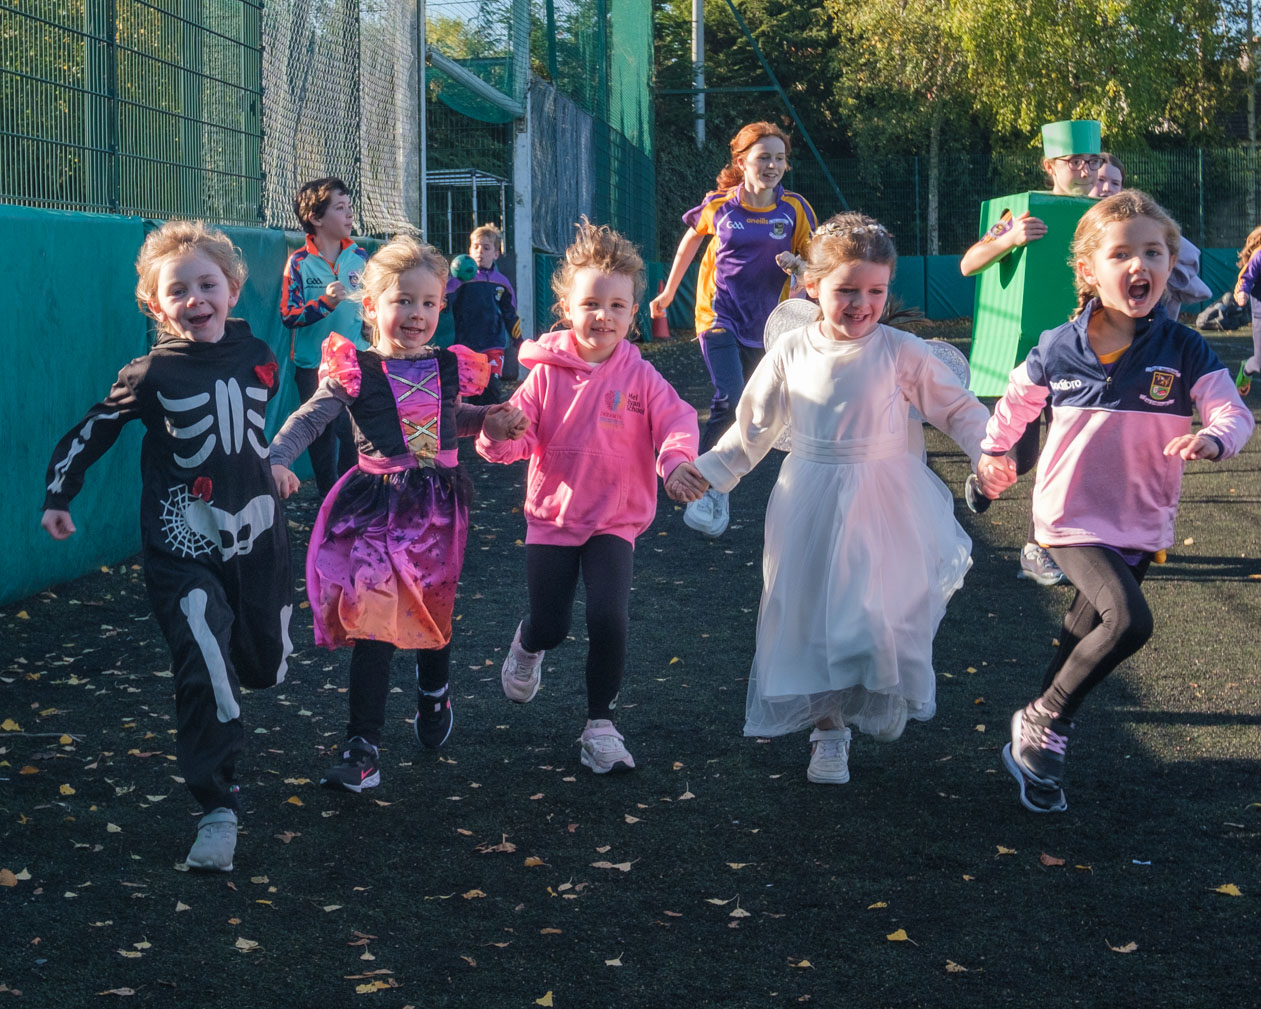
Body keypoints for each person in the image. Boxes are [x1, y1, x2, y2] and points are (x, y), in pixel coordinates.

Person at [675, 212, 992, 785]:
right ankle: (828, 731)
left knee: (885, 608)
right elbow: (753, 428)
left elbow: (959, 408)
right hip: (811, 498)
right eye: (847, 290)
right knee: (812, 616)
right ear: (813, 286)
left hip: (889, 497)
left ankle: (886, 689)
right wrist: (706, 472)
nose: (861, 304)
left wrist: (987, 452)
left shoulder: (901, 351)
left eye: (875, 291)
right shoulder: (793, 350)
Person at [975, 191, 1254, 813]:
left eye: (1153, 252)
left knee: (1082, 634)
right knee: (1128, 623)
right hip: (1069, 519)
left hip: (1139, 521)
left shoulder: (1185, 350)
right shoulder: (1057, 346)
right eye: (1121, 252)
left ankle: (1031, 748)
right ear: (1089, 270)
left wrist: (1214, 437)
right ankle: (1045, 720)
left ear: (1169, 265)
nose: (1139, 264)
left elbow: (1232, 411)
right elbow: (1017, 403)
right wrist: (993, 457)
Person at [41, 221, 293, 872]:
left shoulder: (260, 355)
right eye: (177, 290)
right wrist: (58, 495)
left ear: (233, 289)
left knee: (259, 665)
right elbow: (94, 428)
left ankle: (263, 651)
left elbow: (254, 431)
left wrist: (274, 466)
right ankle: (217, 805)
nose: (195, 298)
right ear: (157, 305)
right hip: (182, 544)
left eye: (207, 283)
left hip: (257, 538)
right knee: (203, 647)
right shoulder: (151, 373)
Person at [268, 235, 528, 792]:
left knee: (430, 610)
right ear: (371, 306)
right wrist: (276, 459)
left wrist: (489, 421)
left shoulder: (451, 365)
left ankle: (434, 690)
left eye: (429, 303)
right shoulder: (355, 369)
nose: (416, 314)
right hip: (375, 505)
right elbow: (312, 418)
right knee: (374, 620)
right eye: (402, 300)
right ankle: (362, 746)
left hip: (437, 505)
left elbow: (449, 416)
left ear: (442, 307)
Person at [476, 219, 703, 775]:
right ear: (567, 306)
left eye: (618, 306)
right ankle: (528, 646)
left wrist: (675, 465)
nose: (603, 316)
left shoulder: (643, 376)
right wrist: (498, 432)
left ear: (633, 310)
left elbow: (678, 422)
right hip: (553, 518)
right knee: (551, 624)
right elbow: (517, 433)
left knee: (609, 618)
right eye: (591, 304)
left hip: (614, 522)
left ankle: (599, 725)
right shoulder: (545, 375)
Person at [649, 122, 816, 538]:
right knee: (730, 395)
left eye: (780, 158)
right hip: (717, 317)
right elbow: (690, 240)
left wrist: (800, 273)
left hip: (767, 326)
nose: (773, 165)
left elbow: (813, 265)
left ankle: (723, 478)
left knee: (762, 407)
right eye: (764, 157)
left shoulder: (795, 209)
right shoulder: (720, 206)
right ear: (742, 163)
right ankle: (707, 487)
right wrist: (669, 293)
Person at [961, 120, 1103, 588]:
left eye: (1092, 160)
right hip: (1027, 358)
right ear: (1050, 166)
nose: (1084, 169)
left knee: (1065, 455)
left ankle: (1037, 547)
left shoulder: (1106, 216)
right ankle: (983, 484)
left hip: (1083, 356)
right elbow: (968, 263)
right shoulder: (1019, 214)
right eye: (1073, 161)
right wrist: (1010, 239)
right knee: (1019, 460)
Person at [280, 177, 371, 498]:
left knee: (354, 434)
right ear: (317, 219)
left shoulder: (360, 257)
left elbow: (372, 304)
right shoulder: (299, 264)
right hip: (312, 367)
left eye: (350, 207)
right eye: (340, 208)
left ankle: (349, 495)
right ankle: (328, 500)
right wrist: (325, 304)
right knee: (321, 433)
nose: (349, 215)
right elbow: (289, 316)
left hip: (357, 361)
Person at [1091, 154, 1212, 313]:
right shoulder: (1067, 216)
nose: (1107, 188)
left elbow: (1188, 255)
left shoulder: (1137, 220)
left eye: (1115, 183)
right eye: (1100, 180)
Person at [446, 223, 523, 403]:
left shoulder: (501, 283)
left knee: (491, 388)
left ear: (496, 254)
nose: (480, 251)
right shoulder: (460, 281)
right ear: (469, 251)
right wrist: (447, 290)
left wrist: (518, 340)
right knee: (471, 390)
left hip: (493, 344)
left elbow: (510, 313)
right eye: (476, 247)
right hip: (467, 344)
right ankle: (470, 428)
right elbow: (443, 303)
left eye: (486, 248)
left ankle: (490, 427)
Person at [1232, 224, 1261, 395]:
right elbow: (1247, 277)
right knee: (1260, 361)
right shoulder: (1259, 255)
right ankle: (1246, 369)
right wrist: (1242, 292)